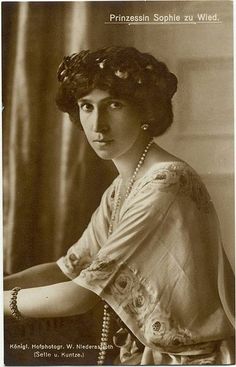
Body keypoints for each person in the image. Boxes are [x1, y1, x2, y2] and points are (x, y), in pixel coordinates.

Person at [4, 46, 235, 365]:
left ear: (146, 111)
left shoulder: (165, 183)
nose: (97, 125)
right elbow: (67, 268)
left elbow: (78, 296)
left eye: (114, 105)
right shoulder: (123, 187)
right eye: (86, 106)